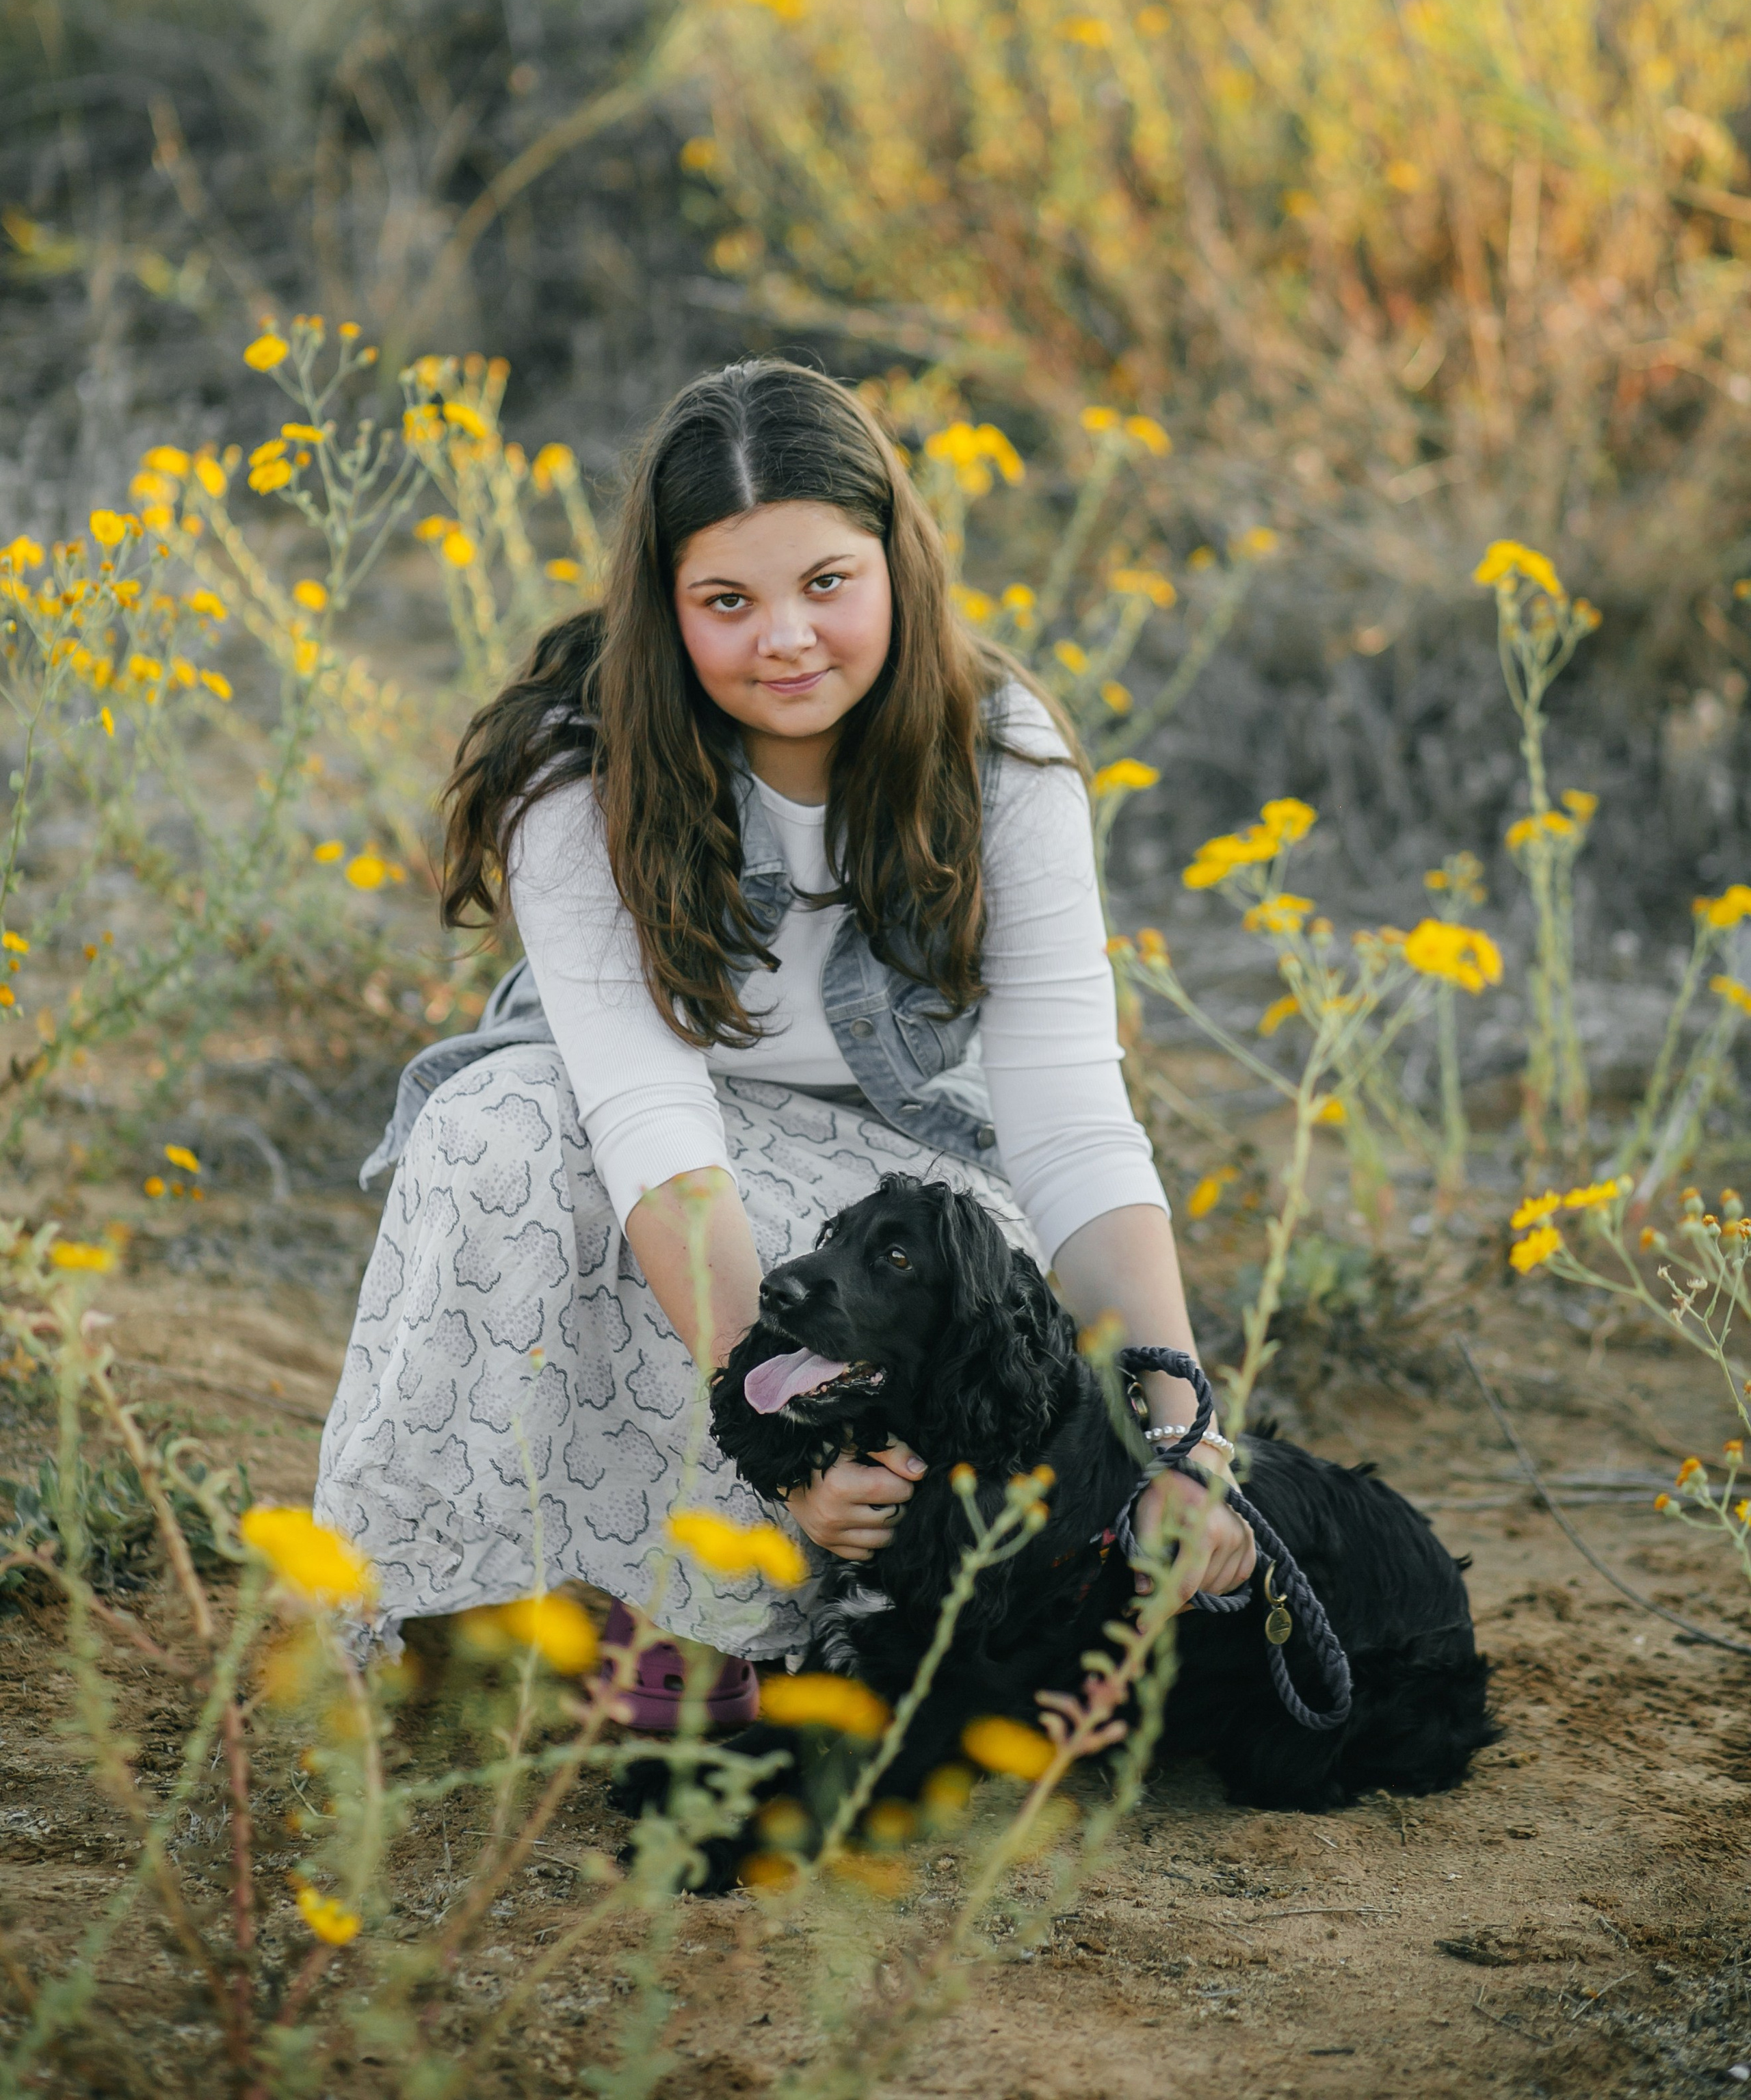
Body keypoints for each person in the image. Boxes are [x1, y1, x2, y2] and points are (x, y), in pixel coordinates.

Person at [315, 360, 1253, 1722]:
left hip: (886, 1168)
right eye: (726, 601)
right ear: (663, 606)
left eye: (826, 583)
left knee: (949, 1269)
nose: (784, 640)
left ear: (896, 565)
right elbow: (653, 1132)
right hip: (646, 1162)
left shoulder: (997, 754)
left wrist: (1184, 1429)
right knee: (496, 1138)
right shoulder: (578, 766)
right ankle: (484, 1616)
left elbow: (1069, 1126)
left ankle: (755, 1647)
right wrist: (777, 1440)